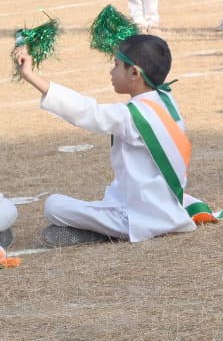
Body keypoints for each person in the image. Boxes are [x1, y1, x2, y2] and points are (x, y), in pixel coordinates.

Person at [12, 34, 203, 242]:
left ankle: (102, 231)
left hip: (140, 217)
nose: (111, 72)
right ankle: (104, 226)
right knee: (114, 190)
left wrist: (30, 75)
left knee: (53, 206)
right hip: (163, 204)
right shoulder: (165, 101)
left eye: (116, 65)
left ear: (134, 73)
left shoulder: (131, 116)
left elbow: (86, 112)